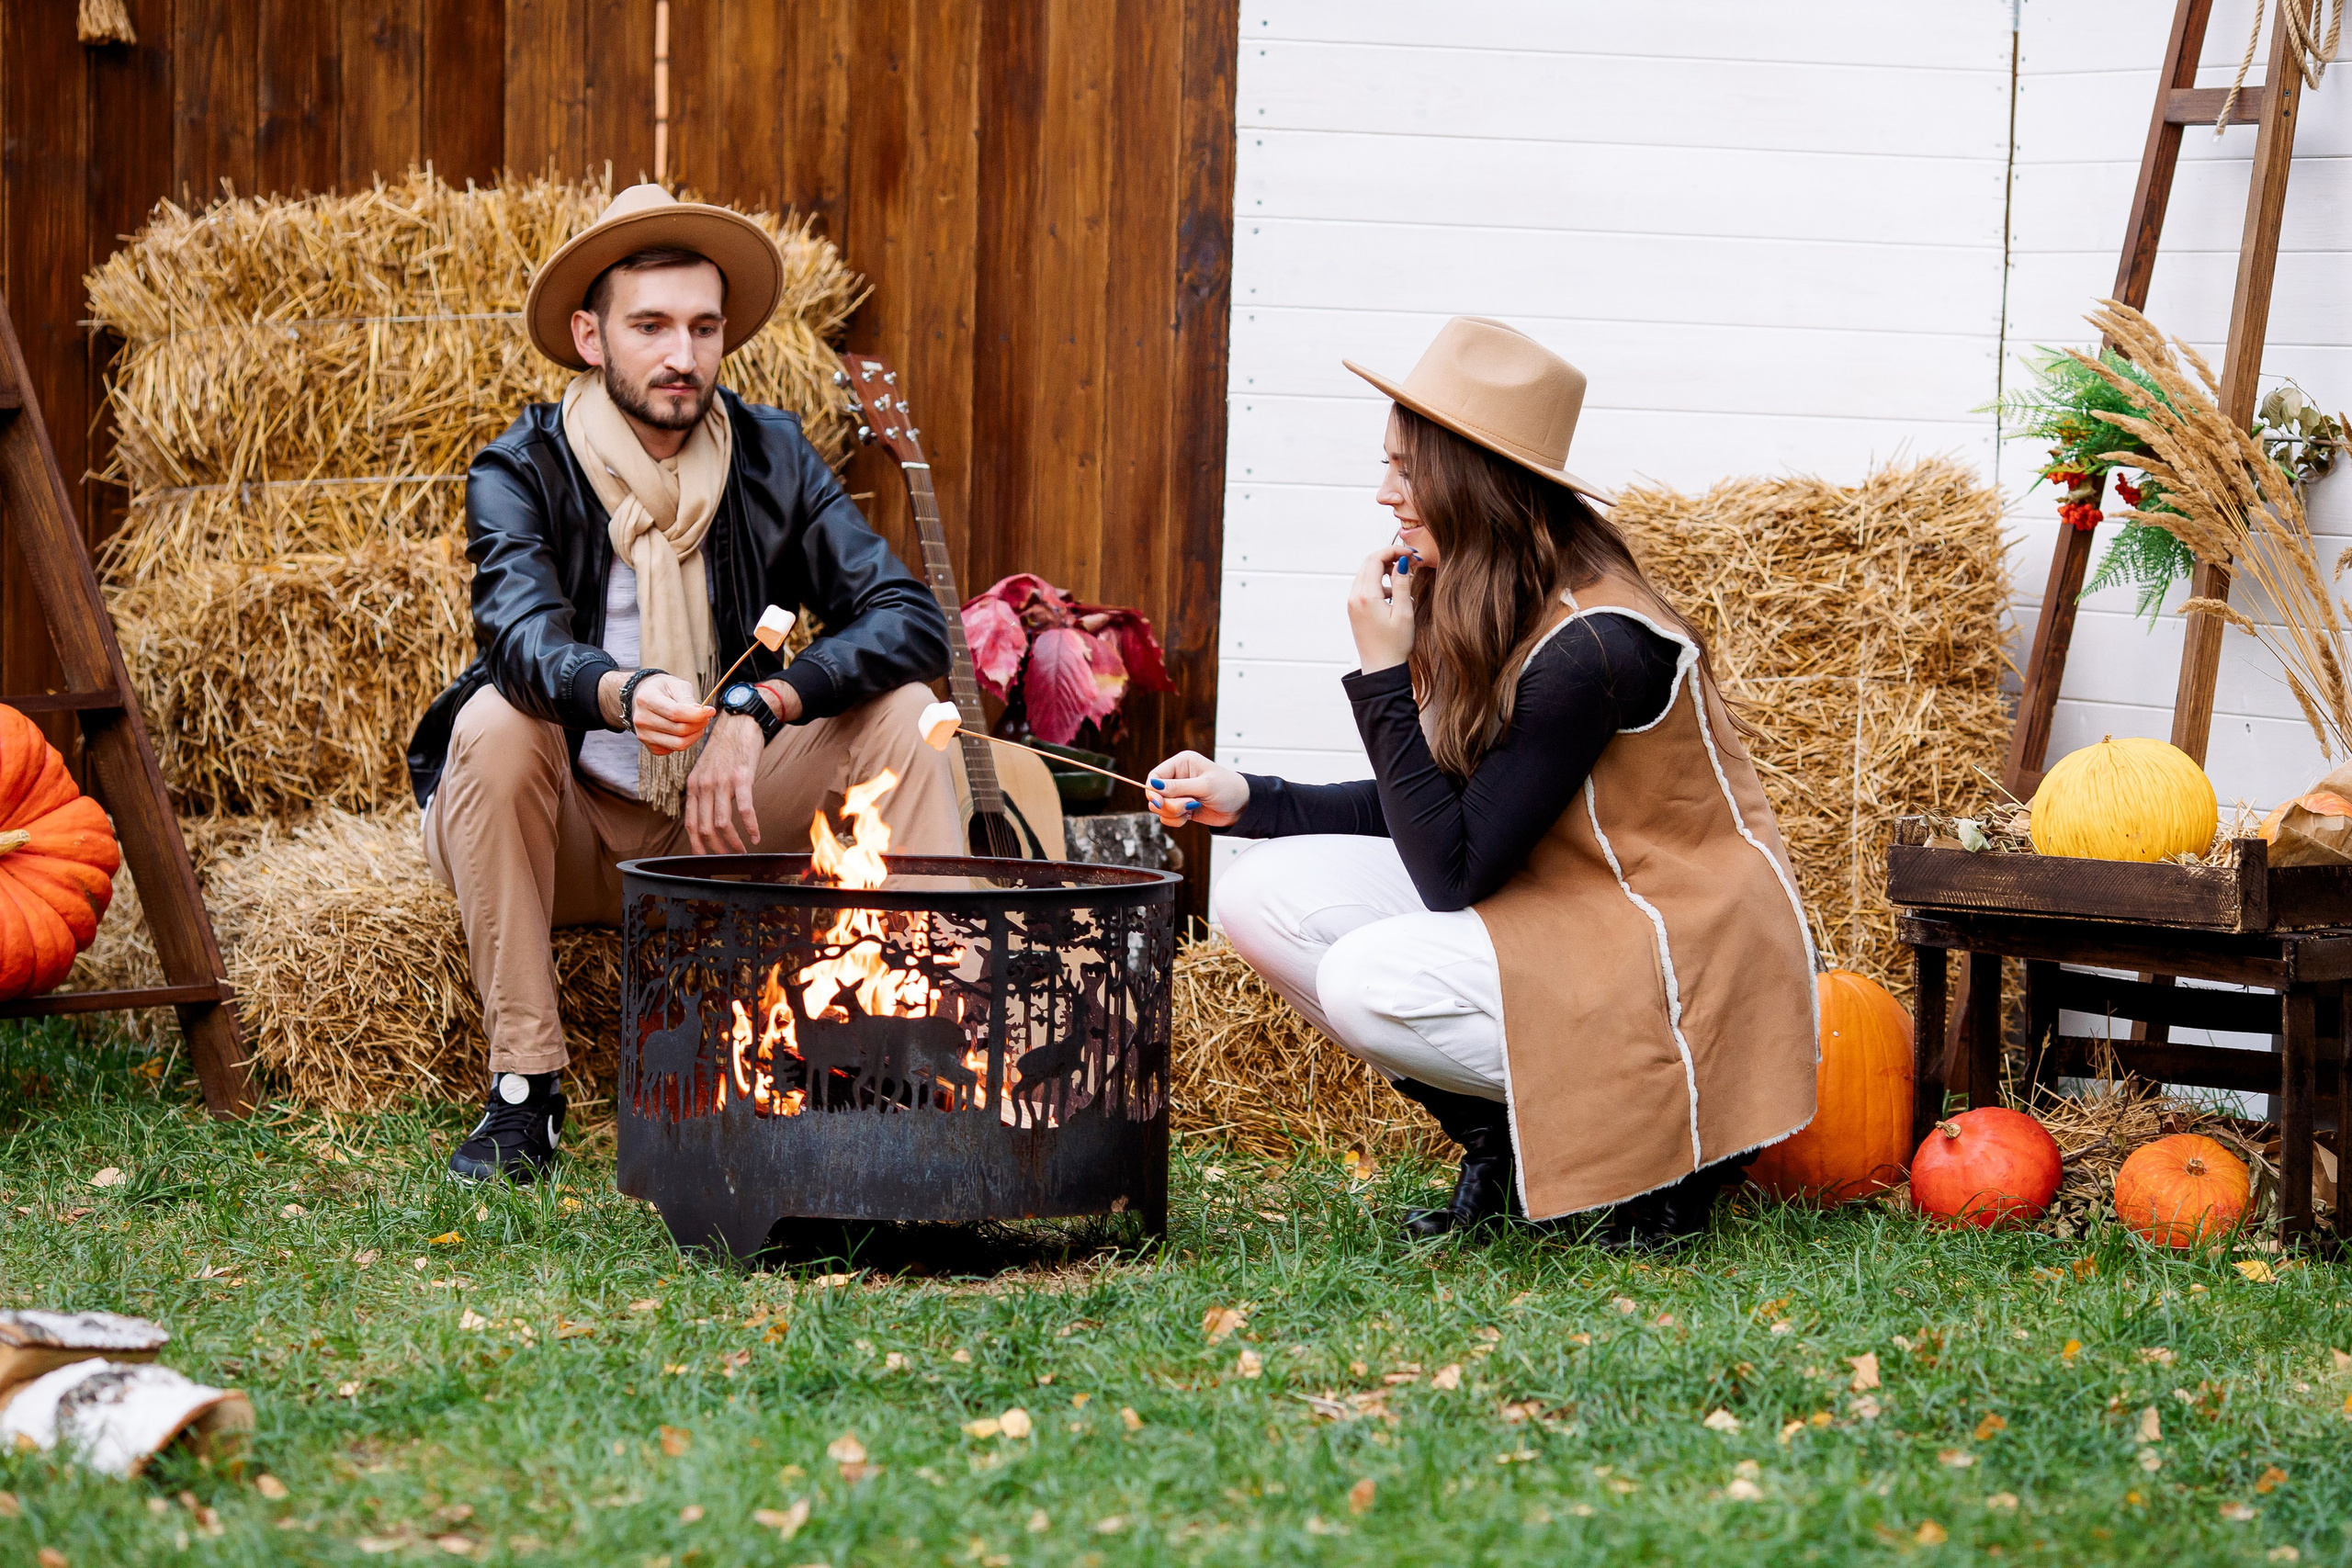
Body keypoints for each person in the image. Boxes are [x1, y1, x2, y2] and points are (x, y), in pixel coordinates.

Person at [1148, 317, 1817, 1246]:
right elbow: (1451, 811)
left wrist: (1382, 677)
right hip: (1571, 906)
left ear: (1475, 480)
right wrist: (1256, 799)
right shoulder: (1493, 590)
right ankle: (1501, 1145)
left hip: (1671, 951)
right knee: (1257, 895)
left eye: (1407, 470)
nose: (1385, 493)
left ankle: (1667, 1164)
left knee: (1366, 978)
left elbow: (1451, 871)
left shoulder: (1593, 644)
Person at [409, 184, 962, 1184]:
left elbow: (907, 616)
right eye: (651, 326)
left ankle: (916, 1056)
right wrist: (620, 692)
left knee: (910, 716)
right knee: (493, 721)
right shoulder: (522, 466)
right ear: (590, 337)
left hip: (724, 814)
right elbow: (517, 640)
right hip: (572, 826)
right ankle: (524, 1091)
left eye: (704, 328)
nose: (683, 355)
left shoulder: (772, 455)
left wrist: (760, 706)